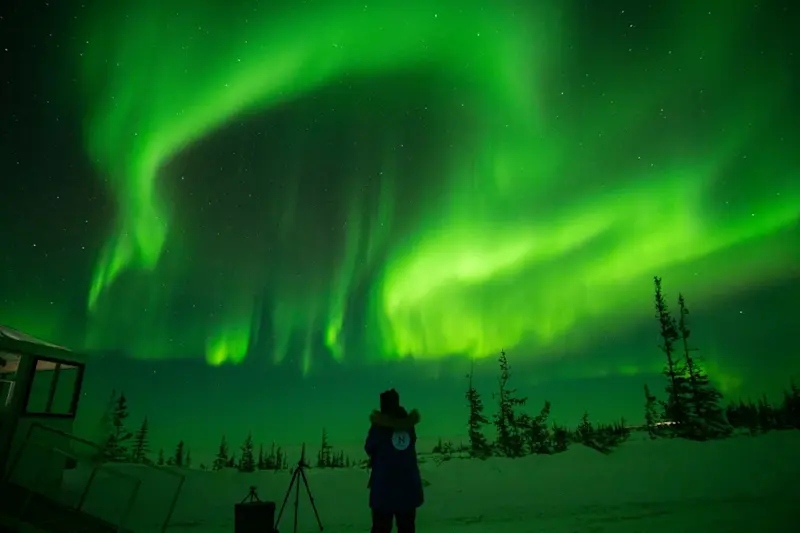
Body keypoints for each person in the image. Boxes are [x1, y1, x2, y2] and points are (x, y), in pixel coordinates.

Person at [365, 388, 423, 533]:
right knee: (407, 528)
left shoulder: (378, 428)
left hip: (384, 490)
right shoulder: (409, 426)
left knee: (381, 528)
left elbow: (369, 447)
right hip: (408, 489)